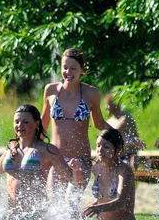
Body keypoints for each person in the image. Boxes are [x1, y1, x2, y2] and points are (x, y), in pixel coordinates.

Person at [40, 48, 110, 186]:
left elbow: (99, 123)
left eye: (73, 68)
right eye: (65, 68)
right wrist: (23, 147)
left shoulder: (91, 93)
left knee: (71, 204)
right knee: (54, 204)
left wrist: (122, 137)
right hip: (56, 158)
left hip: (80, 159)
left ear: (82, 70)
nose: (68, 72)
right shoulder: (51, 90)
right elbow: (43, 125)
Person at [104, 92, 145, 166]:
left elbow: (135, 139)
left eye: (108, 104)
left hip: (128, 155)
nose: (106, 107)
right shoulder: (109, 121)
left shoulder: (126, 118)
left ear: (116, 104)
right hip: (114, 157)